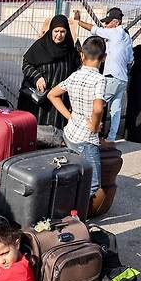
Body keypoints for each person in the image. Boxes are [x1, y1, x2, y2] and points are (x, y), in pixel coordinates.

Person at [48, 36, 107, 197]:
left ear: (82, 55)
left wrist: (70, 116)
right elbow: (97, 109)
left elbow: (52, 95)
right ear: (104, 57)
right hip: (86, 139)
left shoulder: (75, 76)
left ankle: (65, 206)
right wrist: (95, 126)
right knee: (93, 185)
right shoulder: (99, 79)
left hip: (70, 133)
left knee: (72, 175)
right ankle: (77, 215)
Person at [74, 7, 133, 145]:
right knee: (116, 110)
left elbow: (94, 30)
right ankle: (111, 138)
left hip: (112, 77)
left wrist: (78, 22)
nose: (105, 25)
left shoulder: (115, 33)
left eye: (108, 23)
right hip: (123, 79)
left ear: (116, 22)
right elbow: (130, 60)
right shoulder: (127, 38)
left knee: (96, 105)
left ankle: (89, 133)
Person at [18, 14, 79, 131]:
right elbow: (26, 65)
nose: (59, 35)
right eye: (56, 31)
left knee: (55, 129)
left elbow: (76, 68)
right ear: (51, 30)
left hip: (59, 98)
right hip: (40, 97)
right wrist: (37, 77)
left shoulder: (70, 49)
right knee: (37, 128)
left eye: (63, 31)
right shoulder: (40, 46)